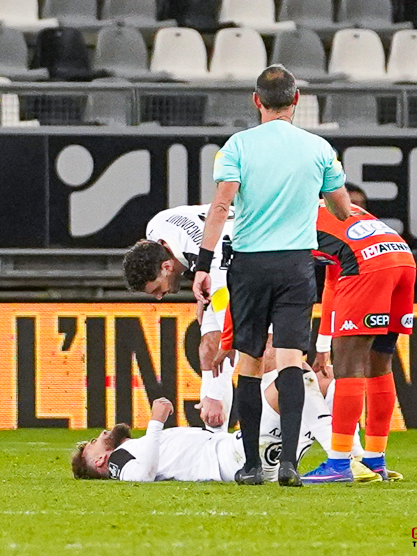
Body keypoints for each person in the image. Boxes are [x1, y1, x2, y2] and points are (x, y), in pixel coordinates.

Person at [192, 64, 351, 486]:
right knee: (290, 361)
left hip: (250, 264)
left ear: (256, 101)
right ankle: (290, 466)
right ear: (297, 100)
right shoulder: (319, 148)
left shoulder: (236, 146)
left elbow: (221, 207)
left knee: (247, 361)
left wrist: (204, 266)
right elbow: (342, 210)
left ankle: (250, 466)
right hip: (297, 265)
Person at [70, 367, 380, 483]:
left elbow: (191, 455)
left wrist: (213, 425)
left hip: (237, 454)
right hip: (237, 459)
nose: (98, 435)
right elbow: (142, 476)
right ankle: (348, 457)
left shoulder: (137, 449)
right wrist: (155, 422)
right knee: (293, 378)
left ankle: (353, 459)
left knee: (322, 384)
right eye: (93, 443)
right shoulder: (120, 459)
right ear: (100, 460)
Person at [302, 199, 415, 483]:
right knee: (380, 363)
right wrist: (322, 344)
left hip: (367, 264)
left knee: (348, 365)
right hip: (402, 258)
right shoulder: (333, 206)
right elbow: (331, 283)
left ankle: (339, 463)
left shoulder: (288, 214)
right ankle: (375, 460)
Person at [122, 204, 236, 432]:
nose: (158, 297)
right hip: (240, 262)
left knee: (269, 358)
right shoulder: (155, 228)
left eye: (156, 288)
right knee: (208, 348)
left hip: (282, 247)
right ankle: (213, 443)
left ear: (166, 266)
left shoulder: (212, 264)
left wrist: (213, 396)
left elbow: (232, 337)